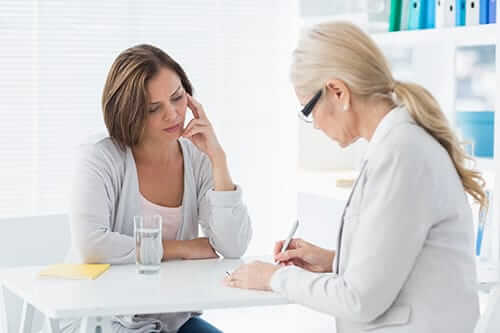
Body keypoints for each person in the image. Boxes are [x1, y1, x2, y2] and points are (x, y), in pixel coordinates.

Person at [225, 22, 485, 333]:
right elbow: (399, 262)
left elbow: (359, 301)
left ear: (338, 92)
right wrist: (333, 260)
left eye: (308, 110)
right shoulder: (398, 146)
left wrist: (273, 278)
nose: (315, 126)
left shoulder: (401, 154)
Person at [67, 44, 252, 333]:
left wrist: (218, 159)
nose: (173, 115)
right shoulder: (100, 157)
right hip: (107, 320)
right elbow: (91, 245)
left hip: (172, 319)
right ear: (130, 114)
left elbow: (232, 247)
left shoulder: (197, 156)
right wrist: (184, 249)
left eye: (177, 98)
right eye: (154, 109)